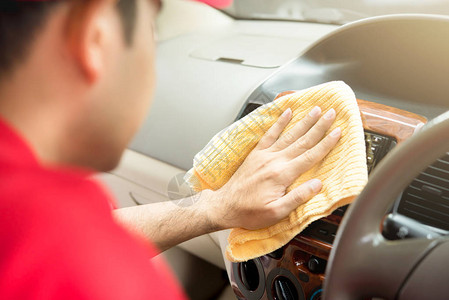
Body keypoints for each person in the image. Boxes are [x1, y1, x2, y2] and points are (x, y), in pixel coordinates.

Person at [0, 0, 341, 298]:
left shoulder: (28, 224)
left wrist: (214, 208)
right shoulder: (94, 281)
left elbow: (71, 243)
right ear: (95, 38)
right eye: (152, 28)